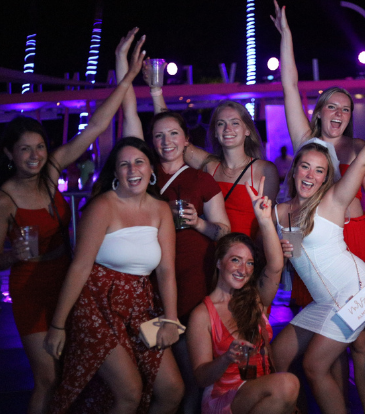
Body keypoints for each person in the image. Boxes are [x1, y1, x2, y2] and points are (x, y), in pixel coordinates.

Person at [0, 32, 147, 414]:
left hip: (68, 280)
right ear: (9, 155)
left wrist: (127, 76)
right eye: (24, 149)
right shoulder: (4, 198)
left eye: (39, 147)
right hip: (30, 287)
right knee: (47, 378)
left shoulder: (51, 172)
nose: (34, 155)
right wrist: (11, 255)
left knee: (74, 373)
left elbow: (97, 126)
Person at [271, 3, 365, 411]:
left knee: (357, 342)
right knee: (326, 340)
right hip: (314, 245)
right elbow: (290, 86)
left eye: (346, 109)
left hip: (353, 240)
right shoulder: (307, 142)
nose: (338, 114)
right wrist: (286, 37)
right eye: (331, 107)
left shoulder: (359, 148)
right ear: (319, 112)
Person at [114, 27, 231, 414]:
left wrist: (199, 223)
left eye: (173, 135)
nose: (165, 141)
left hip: (193, 293)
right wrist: (124, 67)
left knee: (189, 379)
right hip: (148, 295)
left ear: (185, 140)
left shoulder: (202, 180)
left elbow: (224, 231)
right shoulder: (143, 174)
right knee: (153, 378)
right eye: (158, 135)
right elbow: (128, 110)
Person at [44, 138, 184, 414]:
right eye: (124, 164)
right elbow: (80, 267)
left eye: (139, 162)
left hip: (140, 304)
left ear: (150, 169)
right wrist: (58, 325)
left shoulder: (161, 210)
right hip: (96, 302)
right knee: (129, 392)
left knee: (172, 390)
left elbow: (166, 270)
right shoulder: (102, 206)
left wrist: (170, 319)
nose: (133, 170)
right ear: (116, 173)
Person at [187, 177, 299, 414]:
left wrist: (265, 220)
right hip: (224, 397)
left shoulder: (255, 299)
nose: (243, 269)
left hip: (263, 393)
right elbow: (200, 377)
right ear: (219, 263)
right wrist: (226, 358)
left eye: (249, 263)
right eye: (235, 260)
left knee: (284, 398)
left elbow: (275, 266)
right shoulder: (202, 314)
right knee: (289, 383)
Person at [144, 68, 279, 240]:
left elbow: (268, 226)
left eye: (235, 123)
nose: (228, 129)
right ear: (215, 131)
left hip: (248, 258)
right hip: (214, 257)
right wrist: (156, 91)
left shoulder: (265, 170)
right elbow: (171, 132)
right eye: (221, 124)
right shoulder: (211, 166)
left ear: (247, 130)